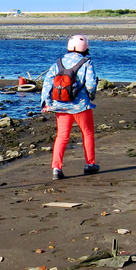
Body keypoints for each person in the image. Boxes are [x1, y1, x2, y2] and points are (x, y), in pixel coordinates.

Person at [41, 34, 99, 179]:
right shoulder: (87, 63)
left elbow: (47, 83)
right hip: (81, 106)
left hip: (61, 105)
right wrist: (91, 95)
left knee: (62, 136)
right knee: (87, 133)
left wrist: (46, 102)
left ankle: (56, 168)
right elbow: (91, 84)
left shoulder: (58, 63)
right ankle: (90, 164)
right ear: (85, 48)